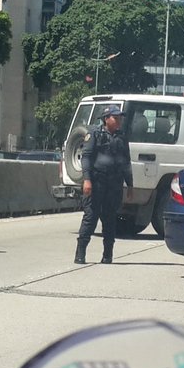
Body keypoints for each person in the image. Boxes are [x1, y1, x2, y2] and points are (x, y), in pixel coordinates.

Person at [75, 105, 133, 264]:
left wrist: (130, 185)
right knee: (90, 218)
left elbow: (126, 162)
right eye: (116, 117)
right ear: (106, 119)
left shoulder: (122, 137)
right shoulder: (94, 134)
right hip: (96, 182)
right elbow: (86, 157)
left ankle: (108, 254)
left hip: (114, 185)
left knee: (110, 219)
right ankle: (80, 253)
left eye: (120, 117)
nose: (119, 120)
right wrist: (87, 180)